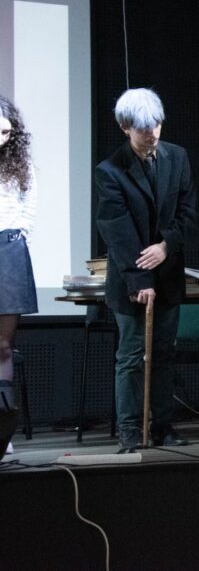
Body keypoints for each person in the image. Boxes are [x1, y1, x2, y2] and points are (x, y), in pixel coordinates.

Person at [95, 88, 197, 452]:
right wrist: (140, 280)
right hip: (130, 278)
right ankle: (128, 430)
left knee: (164, 353)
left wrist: (166, 246)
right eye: (142, 127)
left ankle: (162, 427)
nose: (151, 132)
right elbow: (116, 228)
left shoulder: (177, 157)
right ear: (126, 127)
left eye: (156, 124)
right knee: (132, 357)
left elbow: (188, 212)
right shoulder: (110, 171)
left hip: (167, 273)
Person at [0, 95, 38, 453]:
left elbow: (29, 207)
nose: (2, 137)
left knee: (3, 345)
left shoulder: (19, 165)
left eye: (6, 132)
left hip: (9, 251)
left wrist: (18, 236)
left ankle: (3, 428)